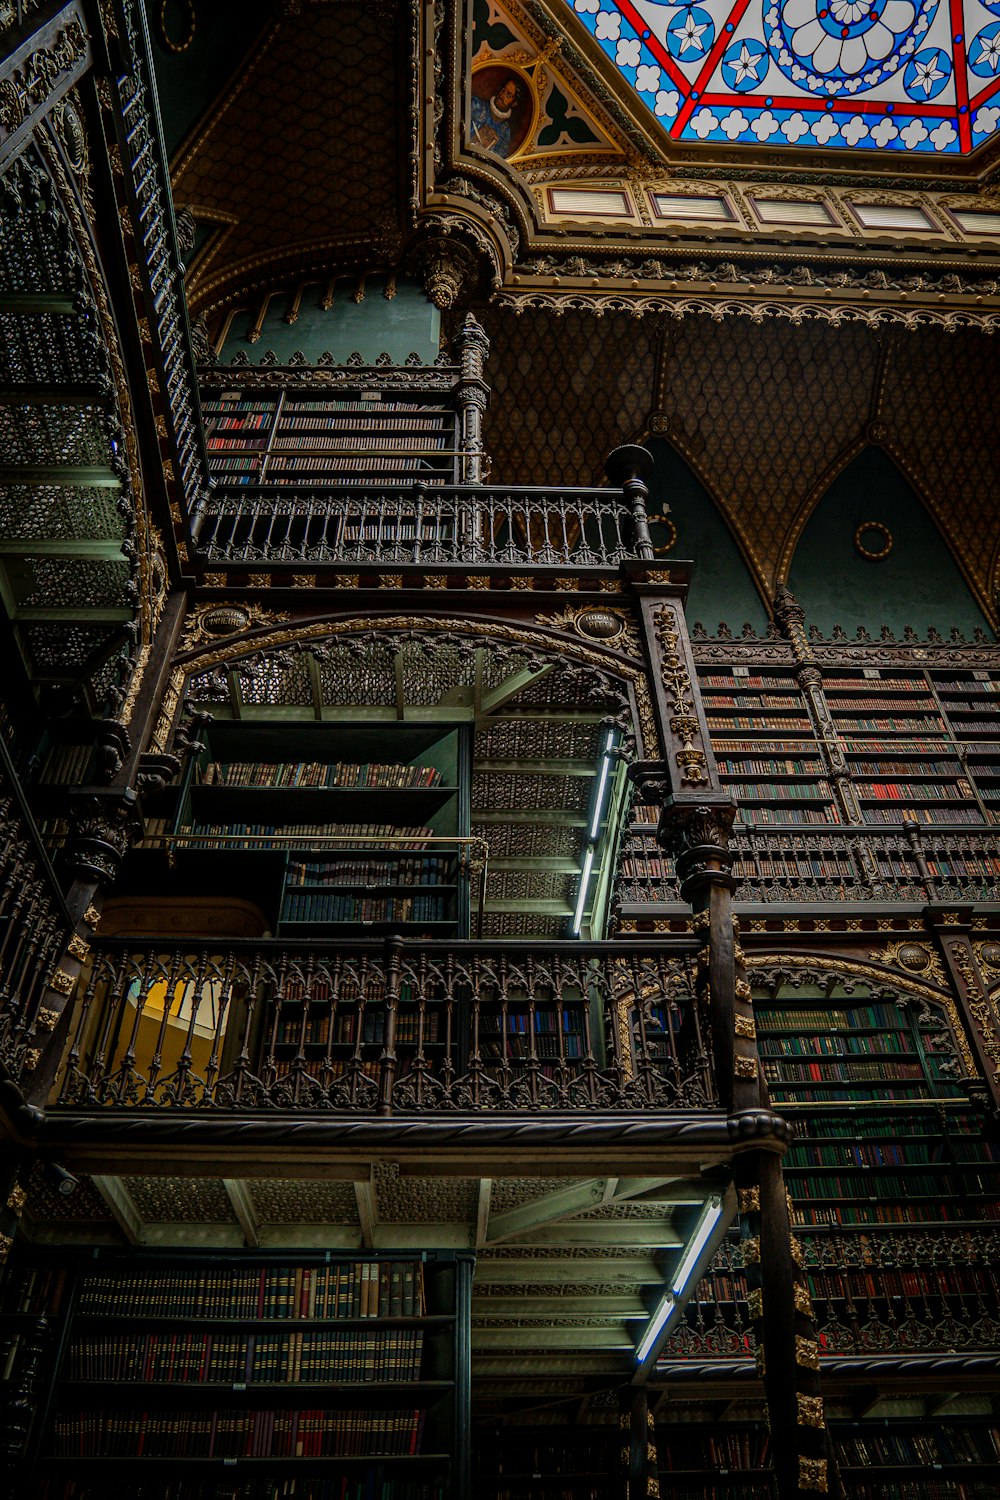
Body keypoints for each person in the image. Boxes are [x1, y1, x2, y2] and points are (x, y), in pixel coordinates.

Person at [471, 76, 523, 158]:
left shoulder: (506, 132)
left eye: (508, 95)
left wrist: (491, 145)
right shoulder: (476, 105)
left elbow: (498, 161)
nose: (502, 96)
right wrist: (476, 135)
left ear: (514, 103)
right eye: (503, 90)